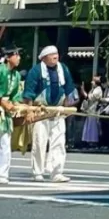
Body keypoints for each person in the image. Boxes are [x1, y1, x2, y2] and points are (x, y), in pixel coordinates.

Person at [22, 45, 77, 182]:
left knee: (59, 142)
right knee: (40, 141)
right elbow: (29, 92)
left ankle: (56, 172)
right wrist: (29, 110)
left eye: (57, 54)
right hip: (41, 110)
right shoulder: (36, 71)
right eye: (52, 54)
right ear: (44, 58)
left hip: (58, 110)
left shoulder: (63, 69)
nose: (55, 56)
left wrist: (69, 106)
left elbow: (69, 88)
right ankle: (38, 172)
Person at [0, 46, 24, 185]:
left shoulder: (17, 75)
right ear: (8, 57)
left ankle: (3, 173)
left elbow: (15, 96)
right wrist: (2, 102)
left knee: (5, 143)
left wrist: (20, 106)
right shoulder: (0, 70)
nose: (19, 57)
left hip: (6, 111)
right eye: (16, 55)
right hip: (2, 106)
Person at [79, 75, 105, 149]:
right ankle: (88, 141)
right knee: (89, 126)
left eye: (93, 81)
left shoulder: (98, 89)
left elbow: (90, 97)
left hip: (94, 110)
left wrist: (83, 91)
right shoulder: (92, 89)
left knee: (93, 127)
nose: (91, 82)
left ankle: (93, 142)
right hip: (89, 110)